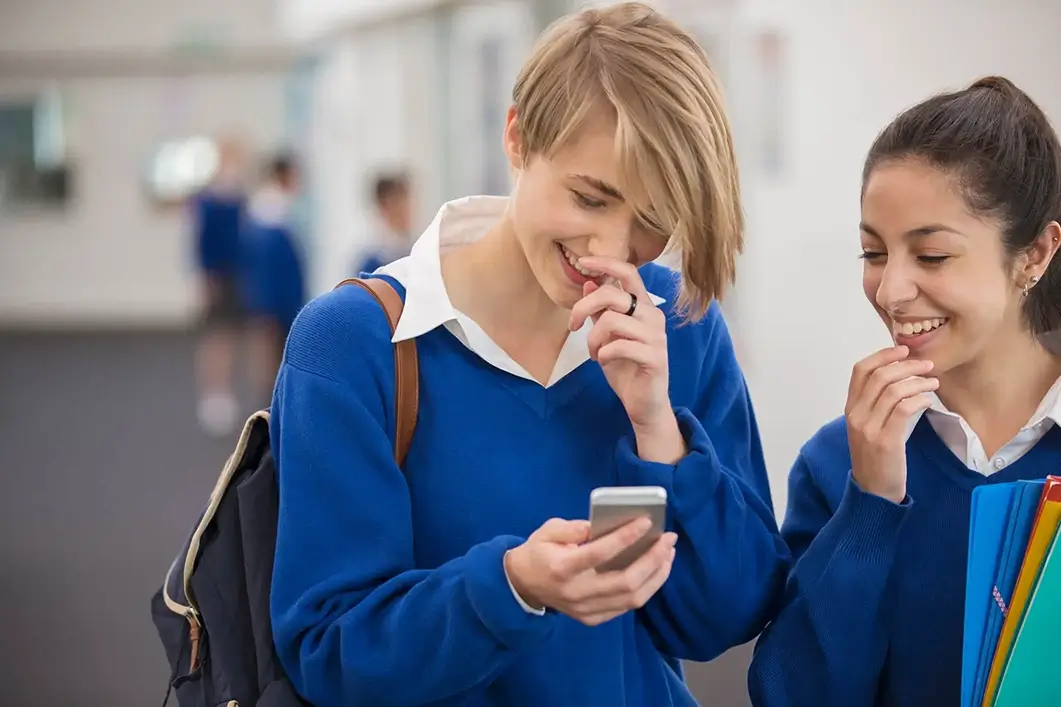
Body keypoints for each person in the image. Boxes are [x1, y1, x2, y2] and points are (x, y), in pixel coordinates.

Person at [270, 4, 789, 706]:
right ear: (516, 137)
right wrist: (510, 587)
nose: (611, 248)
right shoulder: (352, 345)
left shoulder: (679, 323)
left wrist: (657, 430)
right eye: (589, 197)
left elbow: (722, 618)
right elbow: (330, 650)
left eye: (651, 221)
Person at [748, 76, 1061, 707]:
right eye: (873, 252)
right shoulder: (839, 461)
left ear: (1033, 253)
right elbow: (792, 696)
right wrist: (871, 503)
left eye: (933, 256)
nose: (890, 291)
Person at [190, 136, 248, 436]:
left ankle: (226, 391)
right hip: (218, 275)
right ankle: (212, 394)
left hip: (240, 273)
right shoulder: (209, 201)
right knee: (215, 335)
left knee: (233, 335)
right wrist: (206, 279)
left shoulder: (240, 198)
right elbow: (201, 243)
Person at [241, 153, 306, 407]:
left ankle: (270, 397)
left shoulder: (267, 211)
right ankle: (269, 399)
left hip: (266, 292)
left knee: (267, 345)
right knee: (269, 346)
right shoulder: (272, 215)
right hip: (272, 294)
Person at [354, 171, 415, 274]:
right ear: (383, 206)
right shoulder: (371, 261)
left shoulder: (417, 248)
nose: (407, 209)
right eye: (398, 202)